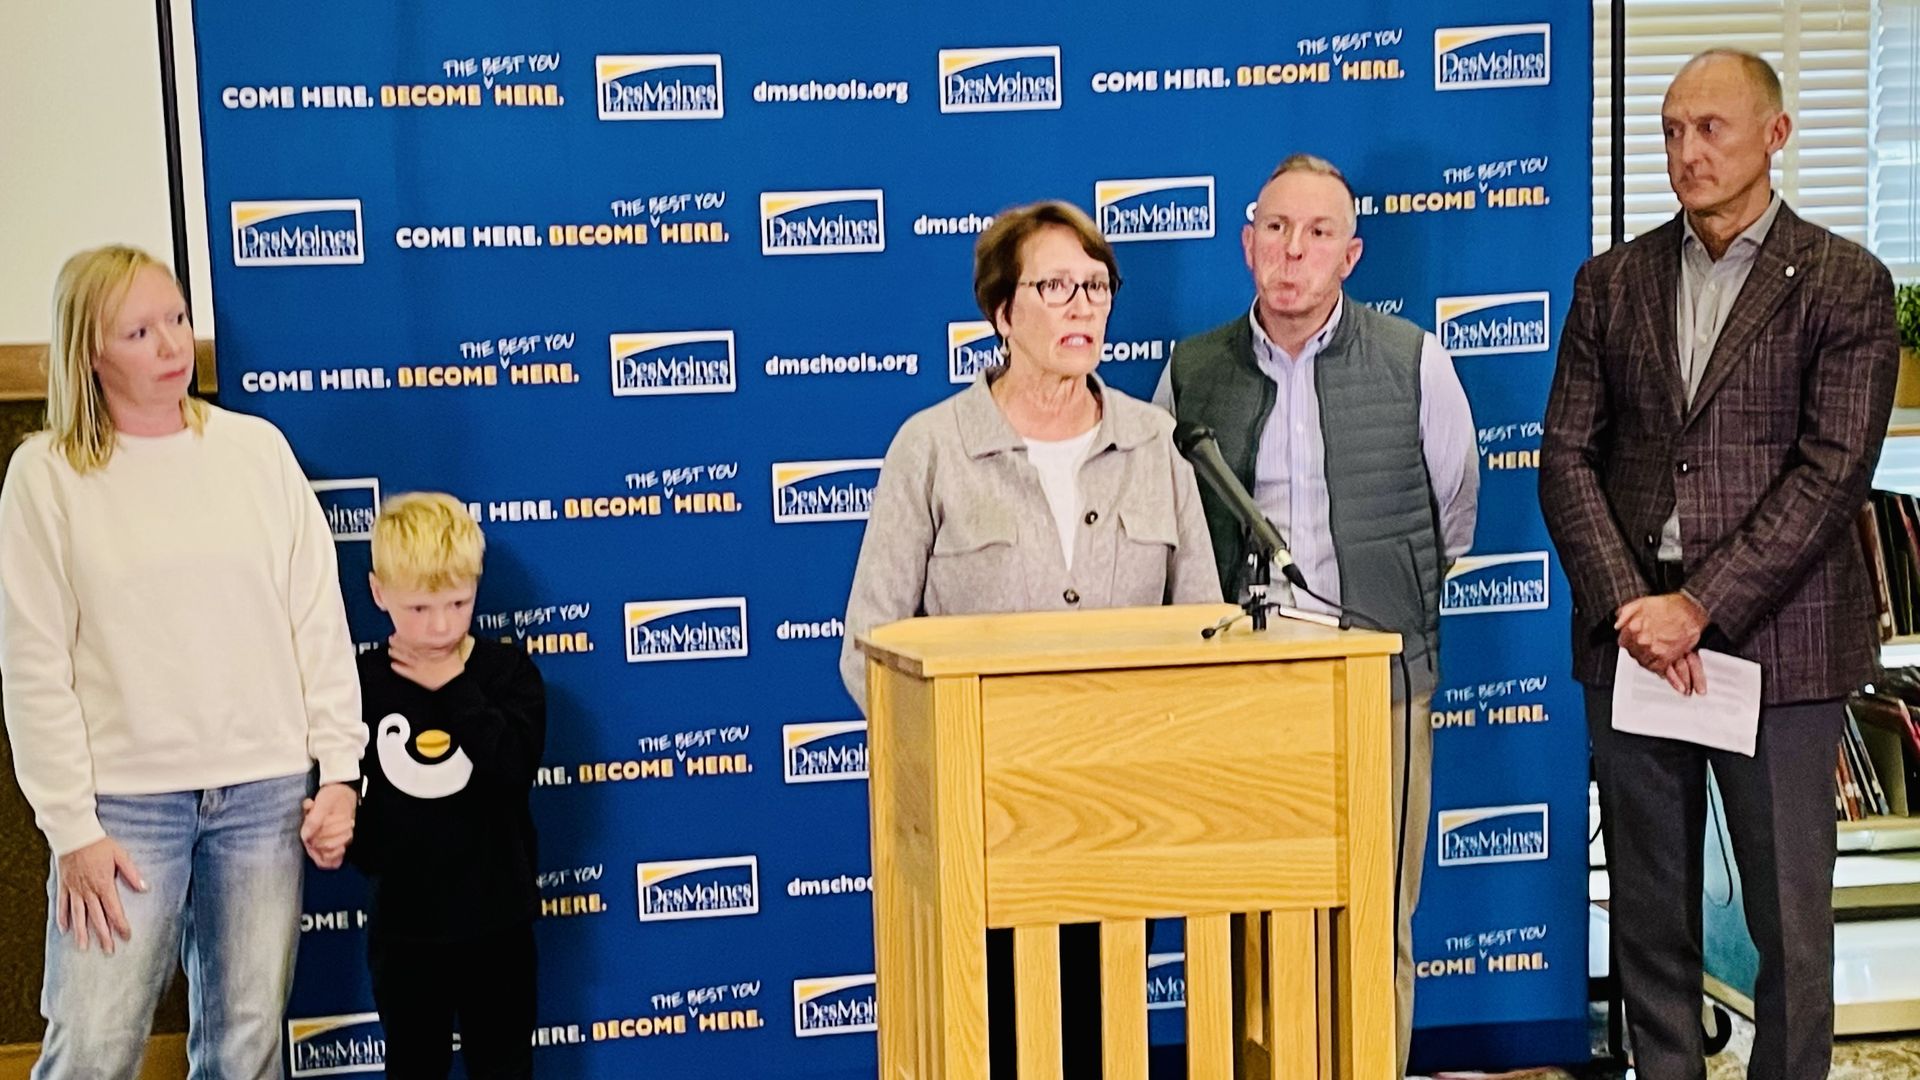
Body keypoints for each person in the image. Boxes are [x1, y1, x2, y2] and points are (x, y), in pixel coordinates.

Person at [1539, 50, 1898, 1080]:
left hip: (1778, 654)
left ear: (1776, 137)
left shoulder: (1844, 283)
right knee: (1649, 919)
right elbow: (1566, 457)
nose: (1686, 154)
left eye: (1712, 130)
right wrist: (1632, 607)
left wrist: (1699, 602)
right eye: (1670, 131)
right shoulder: (1612, 282)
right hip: (1637, 653)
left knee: (1790, 927)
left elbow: (1832, 476)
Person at [841, 199, 1220, 1075]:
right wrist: (957, 768)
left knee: (1100, 1040)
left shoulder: (1158, 443)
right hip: (982, 824)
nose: (1083, 304)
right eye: (1055, 285)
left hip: (1123, 819)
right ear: (1003, 313)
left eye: (1097, 285)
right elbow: (871, 647)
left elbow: (1204, 628)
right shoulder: (931, 448)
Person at [0, 245, 364, 1078]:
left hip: (264, 793)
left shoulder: (255, 452)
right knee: (92, 1045)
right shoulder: (46, 476)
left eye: (177, 320)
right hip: (121, 812)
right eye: (139, 331)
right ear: (88, 351)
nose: (172, 347)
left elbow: (316, 618)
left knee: (247, 1040)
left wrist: (339, 769)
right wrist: (71, 827)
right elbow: (33, 667)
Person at [1155, 153, 1479, 1075]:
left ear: (1352, 255)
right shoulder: (1190, 371)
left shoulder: (1415, 362)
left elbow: (1451, 513)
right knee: (1244, 925)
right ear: (1247, 243)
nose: (1293, 252)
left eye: (1318, 233)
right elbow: (1171, 529)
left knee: (1375, 917)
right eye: (1276, 229)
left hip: (1378, 684)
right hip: (1238, 695)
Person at [348, 491, 545, 1080]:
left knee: (504, 1065)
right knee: (413, 1066)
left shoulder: (507, 672)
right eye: (418, 609)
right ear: (379, 593)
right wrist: (340, 833)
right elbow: (353, 798)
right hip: (407, 930)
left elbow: (512, 765)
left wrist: (455, 686)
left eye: (458, 603)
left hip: (499, 923)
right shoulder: (360, 685)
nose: (439, 626)